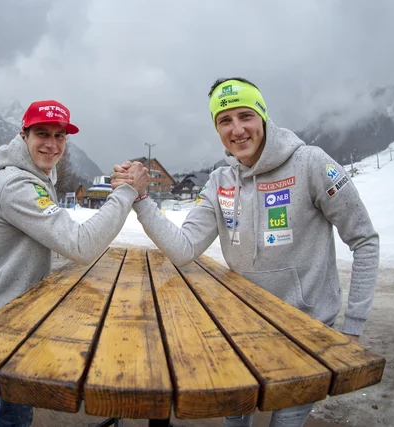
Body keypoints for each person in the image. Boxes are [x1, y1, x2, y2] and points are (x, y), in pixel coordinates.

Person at [112, 78, 379, 427]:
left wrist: (353, 328)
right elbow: (184, 247)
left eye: (245, 116)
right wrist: (141, 198)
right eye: (225, 120)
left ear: (263, 116)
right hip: (242, 331)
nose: (237, 129)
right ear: (216, 128)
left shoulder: (311, 163)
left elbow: (364, 239)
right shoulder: (220, 181)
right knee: (235, 421)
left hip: (306, 333)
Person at [0, 99, 149, 427]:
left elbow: (58, 237)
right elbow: (80, 244)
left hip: (12, 310)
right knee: (14, 416)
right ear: (24, 135)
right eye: (42, 134)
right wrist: (124, 193)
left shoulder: (34, 175)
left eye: (59, 136)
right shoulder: (17, 185)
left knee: (19, 405)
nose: (51, 144)